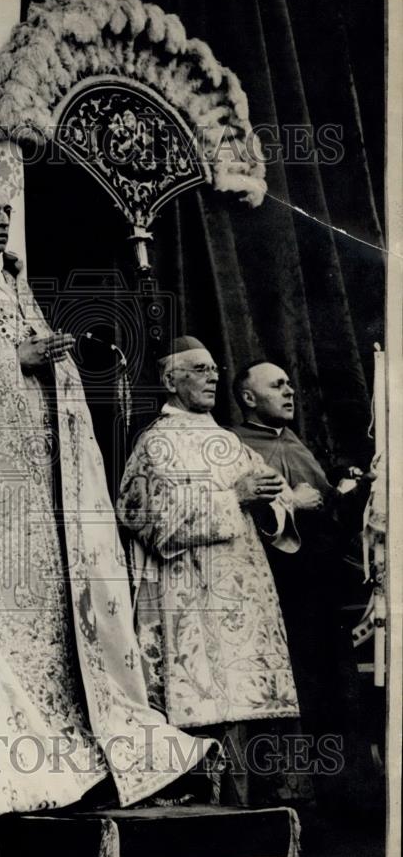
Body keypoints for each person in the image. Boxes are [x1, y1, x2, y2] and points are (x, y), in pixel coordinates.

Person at [0, 180, 214, 826]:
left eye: (8, 211)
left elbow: (33, 359)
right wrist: (15, 359)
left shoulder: (13, 284)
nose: (4, 222)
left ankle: (81, 755)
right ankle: (34, 761)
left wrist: (47, 360)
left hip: (39, 489)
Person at [116, 337, 305, 806]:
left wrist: (273, 502)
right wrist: (234, 497)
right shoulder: (155, 443)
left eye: (214, 369)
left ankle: (263, 801)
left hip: (244, 586)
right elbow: (146, 518)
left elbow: (272, 503)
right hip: (189, 592)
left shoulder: (227, 441)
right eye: (199, 370)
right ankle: (209, 801)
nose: (213, 377)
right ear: (169, 380)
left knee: (249, 690)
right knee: (204, 691)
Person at [231, 360, 372, 806]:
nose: (290, 391)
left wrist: (353, 493)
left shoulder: (294, 443)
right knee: (301, 689)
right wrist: (294, 502)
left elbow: (328, 511)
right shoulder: (235, 445)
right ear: (249, 398)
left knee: (337, 688)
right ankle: (301, 798)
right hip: (279, 589)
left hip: (320, 585)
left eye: (290, 384)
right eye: (277, 386)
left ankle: (349, 794)